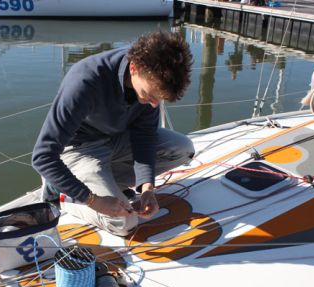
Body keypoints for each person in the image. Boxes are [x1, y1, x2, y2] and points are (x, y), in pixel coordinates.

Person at [32, 31, 195, 236]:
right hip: (80, 150)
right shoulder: (85, 81)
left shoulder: (148, 87)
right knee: (125, 223)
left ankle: (106, 183)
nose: (154, 104)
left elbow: (144, 138)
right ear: (134, 68)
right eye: (149, 95)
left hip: (117, 140)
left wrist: (147, 188)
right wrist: (93, 201)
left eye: (159, 99)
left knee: (184, 149)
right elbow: (42, 157)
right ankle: (63, 196)